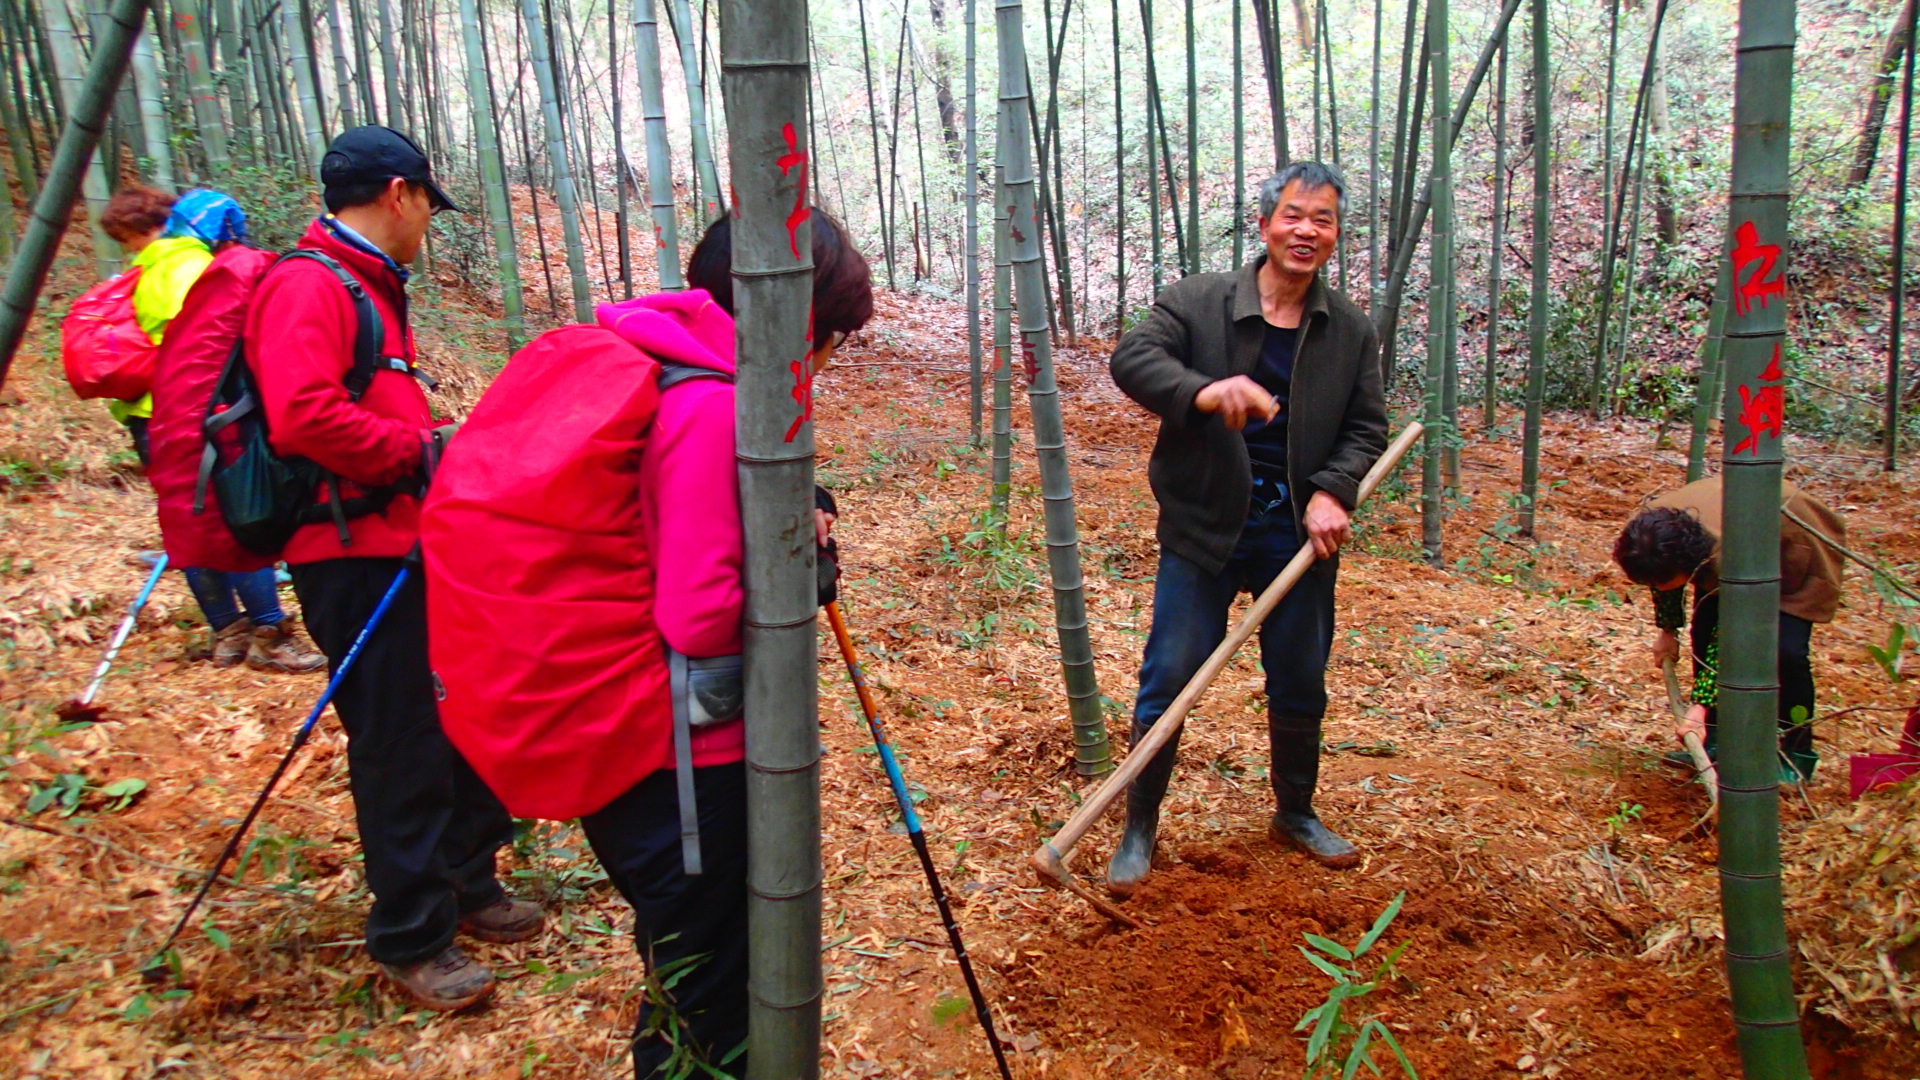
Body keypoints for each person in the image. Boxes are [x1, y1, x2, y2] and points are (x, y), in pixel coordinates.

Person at [425, 208, 870, 1078]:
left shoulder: (660, 355)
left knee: (689, 965)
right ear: (794, 318)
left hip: (634, 744)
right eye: (832, 340)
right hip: (676, 762)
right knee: (708, 983)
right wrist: (784, 573)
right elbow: (701, 614)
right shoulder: (711, 404)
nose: (824, 363)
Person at [247, 126, 536, 1011]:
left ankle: (468, 879)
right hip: (350, 554)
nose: (427, 228)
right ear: (402, 193)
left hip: (406, 544)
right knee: (400, 739)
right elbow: (300, 417)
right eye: (427, 209)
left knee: (458, 713)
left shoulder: (365, 281)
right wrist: (422, 452)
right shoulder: (309, 282)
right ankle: (412, 935)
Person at [1106, 161, 1388, 893]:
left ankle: (1294, 812)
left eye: (1322, 219)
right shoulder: (1198, 302)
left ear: (1334, 234)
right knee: (1168, 678)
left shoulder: (1350, 330)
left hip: (1296, 536)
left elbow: (1366, 429)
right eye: (1293, 215)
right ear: (1264, 223)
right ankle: (1139, 827)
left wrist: (1334, 491)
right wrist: (1204, 391)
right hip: (1205, 526)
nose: (1307, 230)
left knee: (1300, 682)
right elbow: (1133, 357)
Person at [99, 185, 324, 673]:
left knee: (190, 521)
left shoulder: (144, 270)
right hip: (202, 417)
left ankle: (228, 633)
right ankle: (268, 633)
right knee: (242, 516)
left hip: (153, 417)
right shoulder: (194, 267)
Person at [1612, 474, 1846, 783]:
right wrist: (1667, 630)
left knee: (1787, 652)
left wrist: (1698, 706)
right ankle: (1715, 741)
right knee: (1702, 630)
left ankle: (1797, 754)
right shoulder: (1649, 534)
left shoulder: (1729, 555)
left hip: (1795, 548)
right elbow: (1661, 580)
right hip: (1732, 538)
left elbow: (1730, 637)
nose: (1653, 585)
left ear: (1691, 565)